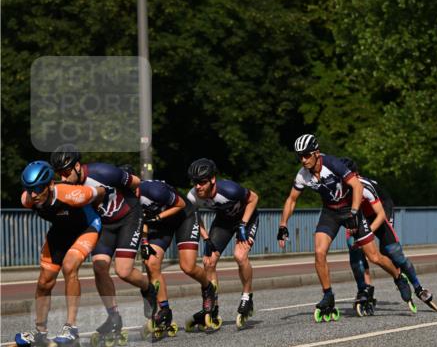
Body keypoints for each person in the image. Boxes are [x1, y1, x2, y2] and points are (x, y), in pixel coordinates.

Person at [277, 134, 414, 320]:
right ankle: (328, 295)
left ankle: (398, 277)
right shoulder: (303, 175)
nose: (303, 160)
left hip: (350, 208)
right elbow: (291, 200)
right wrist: (283, 224)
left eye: (306, 155)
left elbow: (356, 186)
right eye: (299, 156)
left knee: (373, 256)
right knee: (319, 252)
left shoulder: (332, 164)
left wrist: (354, 212)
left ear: (316, 153)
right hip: (330, 213)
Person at [50, 144, 157, 336]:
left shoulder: (104, 172)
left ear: (77, 165)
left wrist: (141, 210)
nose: (63, 178)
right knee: (99, 267)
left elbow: (137, 183)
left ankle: (148, 288)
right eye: (59, 174)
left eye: (66, 172)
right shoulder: (68, 187)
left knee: (123, 271)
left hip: (128, 217)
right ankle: (114, 317)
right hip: (105, 224)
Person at [5, 161, 106, 347]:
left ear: (50, 185)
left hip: (86, 228)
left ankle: (71, 328)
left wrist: (102, 205)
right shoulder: (27, 199)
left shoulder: (72, 194)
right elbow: (33, 199)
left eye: (38, 189)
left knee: (70, 266)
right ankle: (40, 333)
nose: (33, 194)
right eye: (29, 189)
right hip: (60, 232)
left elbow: (101, 191)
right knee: (44, 282)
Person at [348, 174, 437, 315]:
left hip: (380, 209)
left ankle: (418, 288)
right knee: (355, 249)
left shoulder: (363, 185)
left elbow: (380, 215)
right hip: (360, 215)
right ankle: (364, 290)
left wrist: (368, 233)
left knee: (391, 252)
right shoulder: (337, 187)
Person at [185, 158, 260, 330]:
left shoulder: (229, 189)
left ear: (212, 180)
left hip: (246, 219)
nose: (198, 187)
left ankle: (247, 296)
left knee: (240, 256)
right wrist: (205, 238)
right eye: (195, 182)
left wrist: (243, 224)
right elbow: (194, 216)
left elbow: (254, 198)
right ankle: (213, 305)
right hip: (224, 222)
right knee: (208, 261)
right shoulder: (193, 196)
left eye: (202, 182)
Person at [138, 178, 209, 335]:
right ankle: (165, 310)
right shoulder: (126, 199)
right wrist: (144, 242)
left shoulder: (153, 190)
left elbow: (181, 204)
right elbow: (141, 219)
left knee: (188, 266)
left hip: (184, 217)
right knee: (151, 263)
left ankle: (208, 287)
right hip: (162, 224)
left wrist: (157, 217)